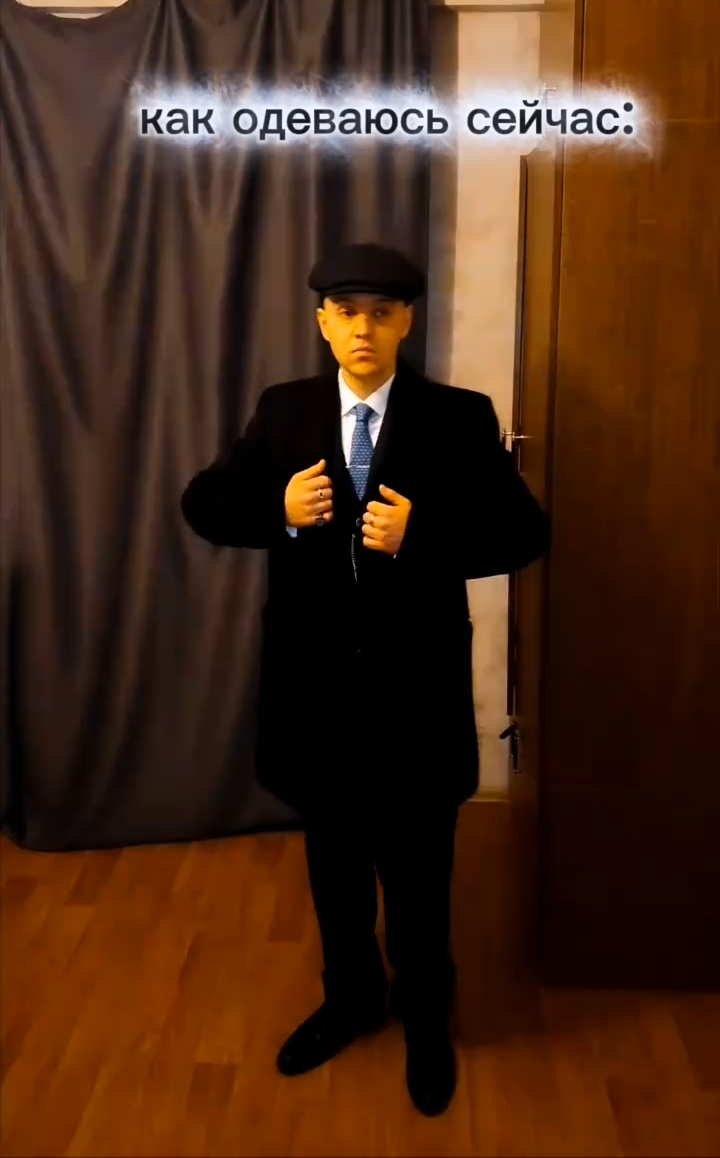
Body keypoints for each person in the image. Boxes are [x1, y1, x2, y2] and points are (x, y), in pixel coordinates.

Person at [181, 242, 550, 1116]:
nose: (363, 329)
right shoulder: (283, 411)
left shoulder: (458, 417)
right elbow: (205, 503)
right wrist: (275, 511)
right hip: (314, 697)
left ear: (406, 321)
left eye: (381, 313)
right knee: (336, 867)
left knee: (420, 874)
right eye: (346, 312)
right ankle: (350, 999)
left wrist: (426, 538)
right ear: (322, 321)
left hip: (416, 697)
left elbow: (524, 534)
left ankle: (425, 1015)